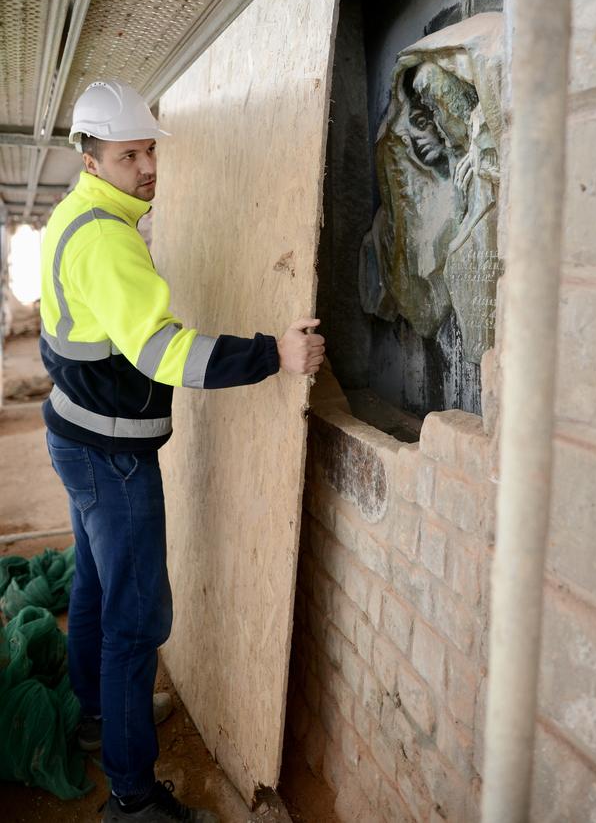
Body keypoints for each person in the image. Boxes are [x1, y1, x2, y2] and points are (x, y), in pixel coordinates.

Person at [39, 79, 325, 823]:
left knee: (95, 589)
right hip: (111, 456)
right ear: (92, 157)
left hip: (77, 436)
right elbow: (168, 354)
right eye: (130, 155)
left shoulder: (77, 215)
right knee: (136, 624)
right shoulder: (105, 239)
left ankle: (99, 717)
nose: (148, 167)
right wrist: (273, 355)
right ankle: (132, 800)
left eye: (150, 151)